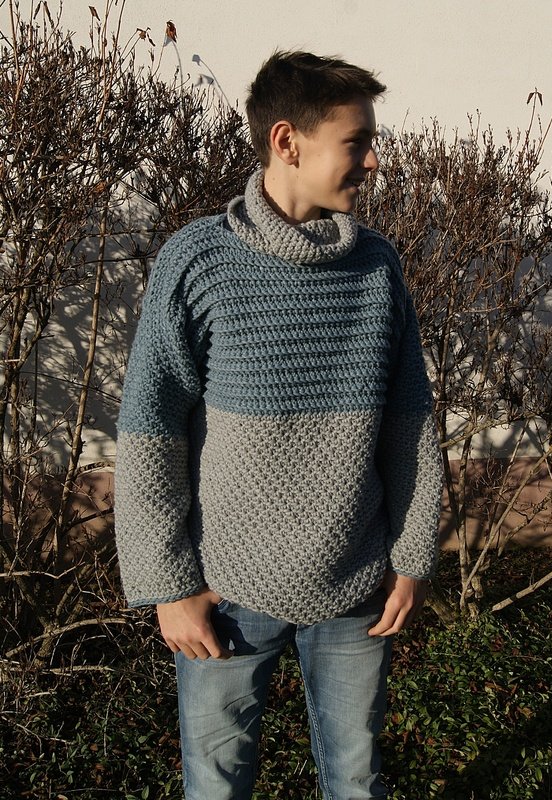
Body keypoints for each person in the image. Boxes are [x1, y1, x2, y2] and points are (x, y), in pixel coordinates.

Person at [114, 50, 443, 800]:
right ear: (287, 141)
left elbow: (410, 425)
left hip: (356, 584)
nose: (373, 161)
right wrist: (167, 584)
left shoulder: (375, 268)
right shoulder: (199, 262)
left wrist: (412, 557)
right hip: (225, 588)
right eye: (356, 142)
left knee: (356, 780)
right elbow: (151, 425)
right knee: (216, 783)